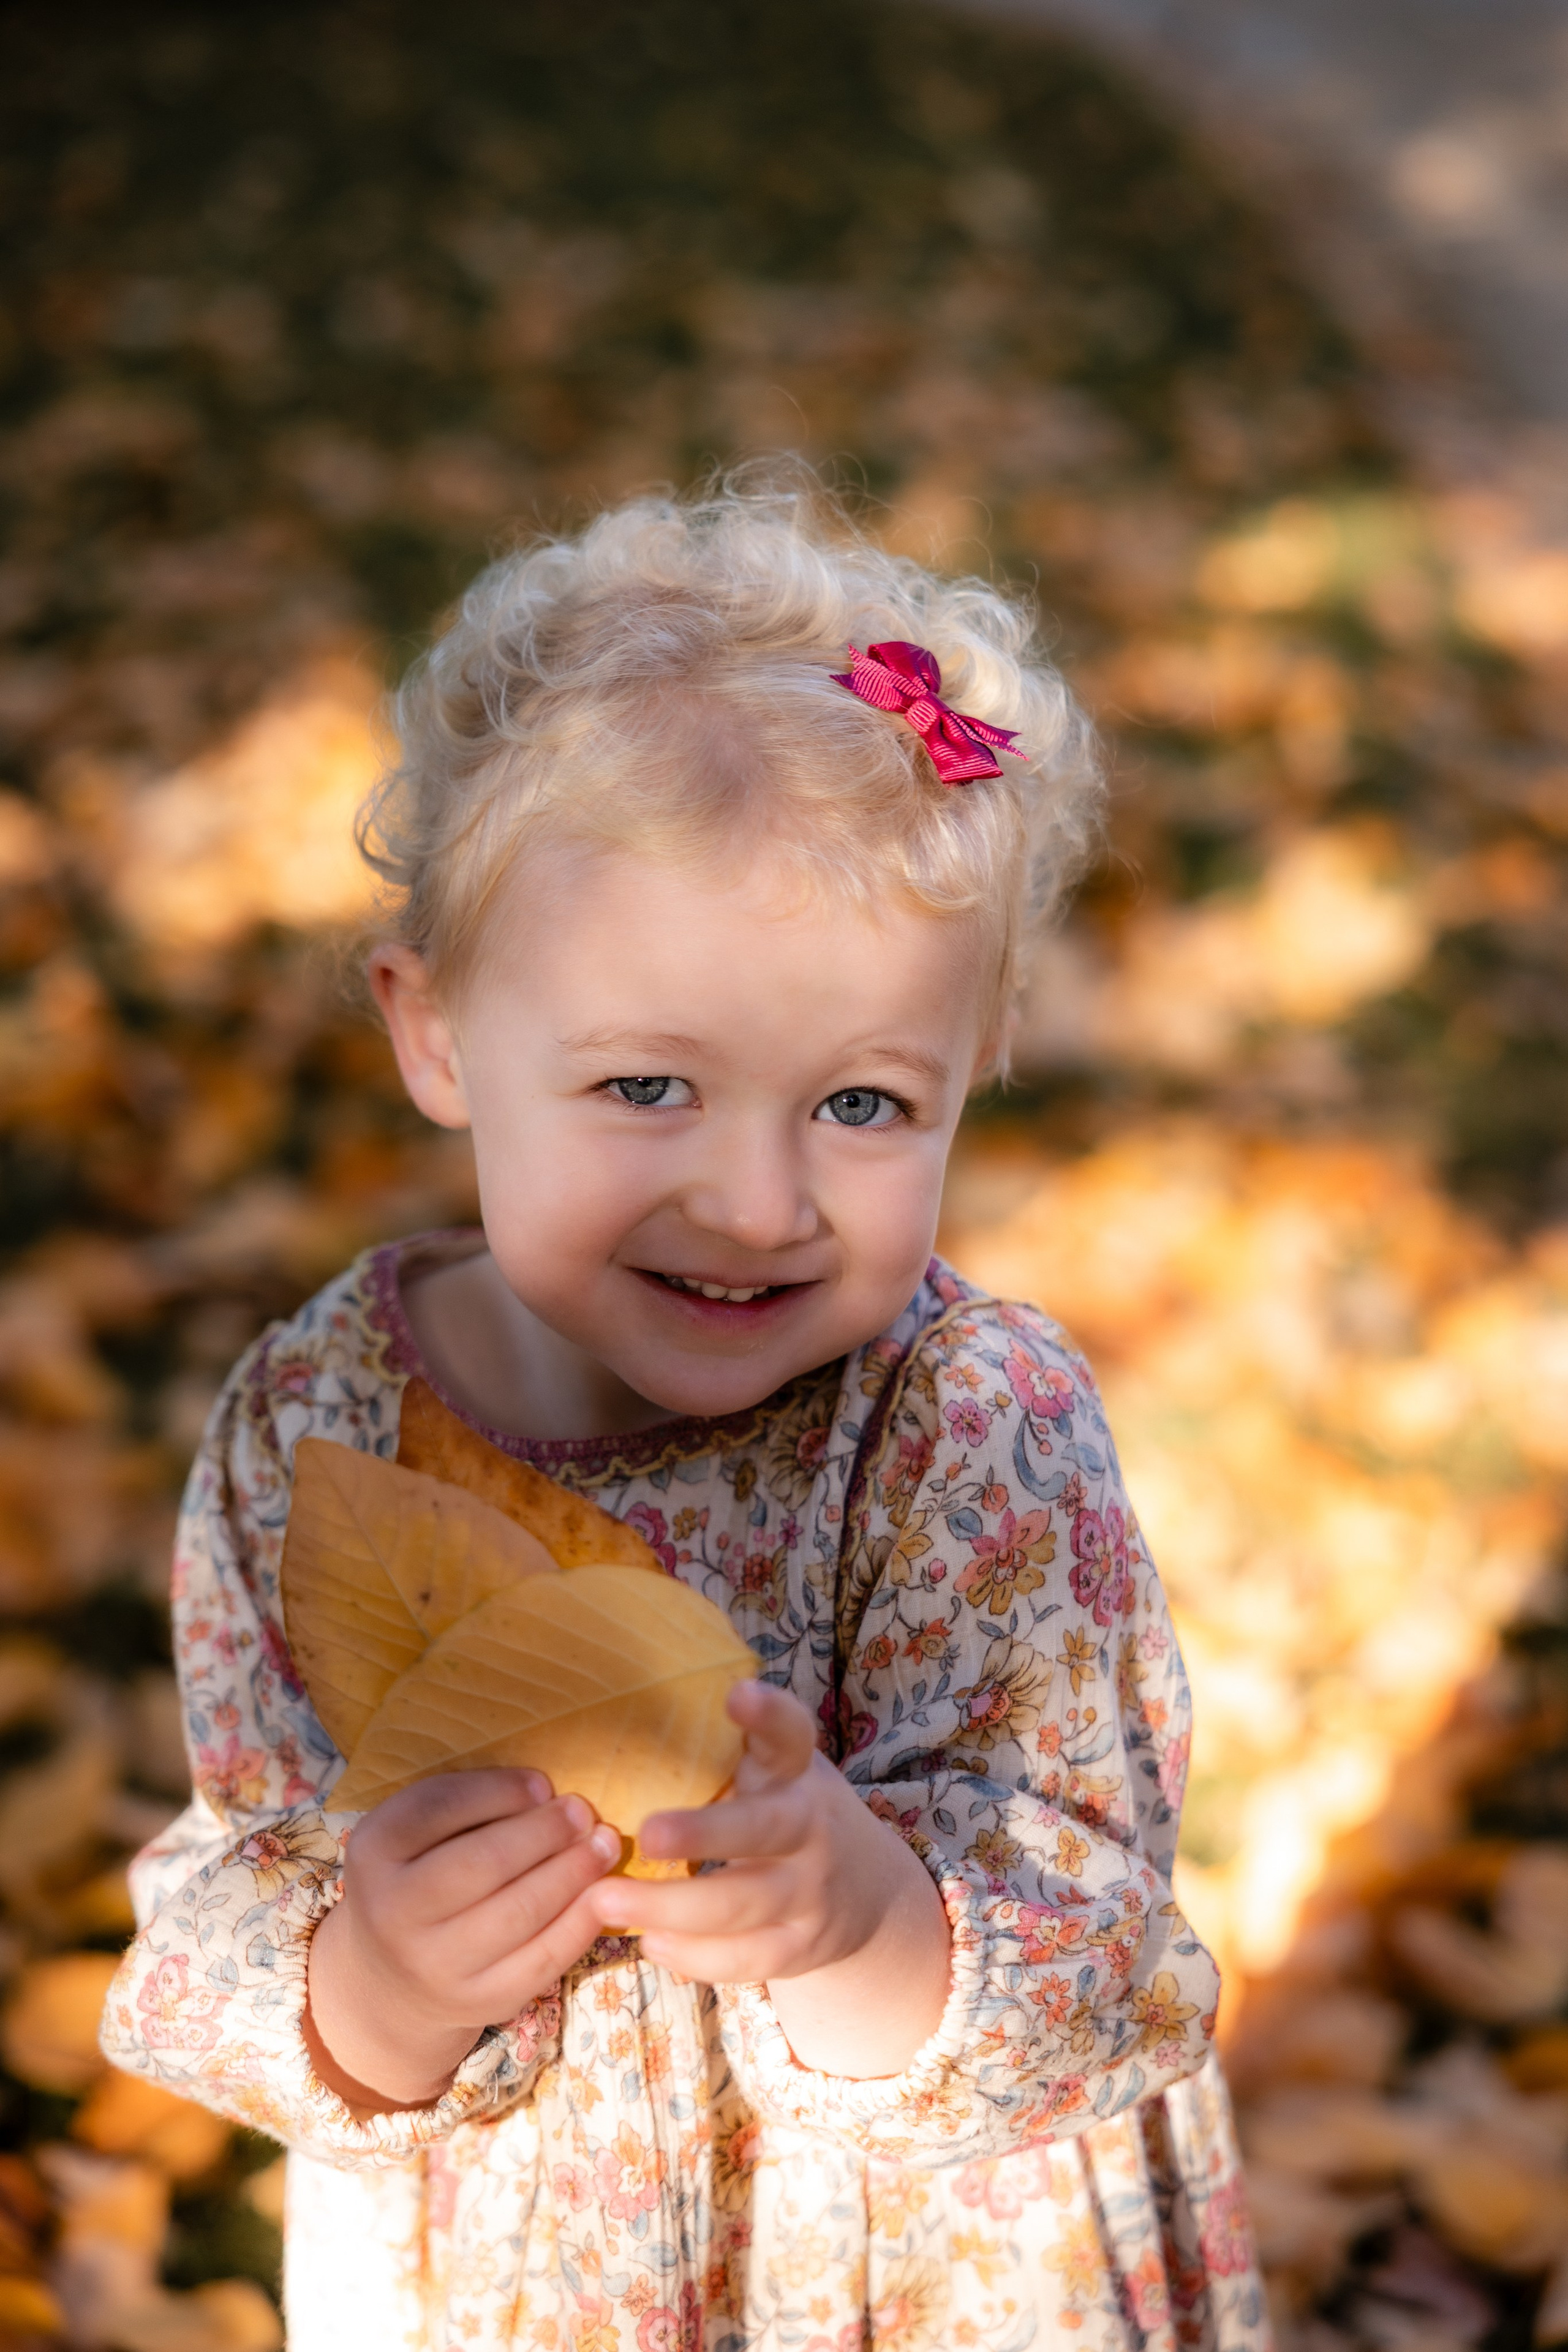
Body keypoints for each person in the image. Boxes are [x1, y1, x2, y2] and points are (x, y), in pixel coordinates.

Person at [100, 469, 1267, 2351]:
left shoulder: (965, 1427)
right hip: (511, 2276)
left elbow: (1098, 1944)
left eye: (864, 1105)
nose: (754, 1201)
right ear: (439, 1035)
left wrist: (860, 1916)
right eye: (649, 1086)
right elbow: (236, 1869)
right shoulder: (318, 1425)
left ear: (975, 1069)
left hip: (905, 2279)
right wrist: (379, 1984)